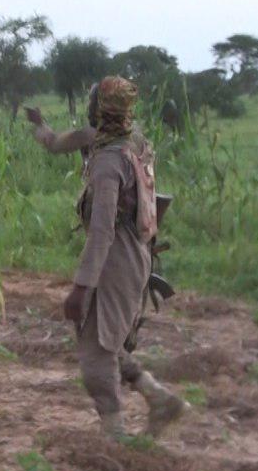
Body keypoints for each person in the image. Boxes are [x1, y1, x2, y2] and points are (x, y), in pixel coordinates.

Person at [62, 76, 187, 440]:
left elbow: (102, 230)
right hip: (135, 253)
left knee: (96, 353)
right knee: (106, 338)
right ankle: (157, 396)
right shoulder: (134, 143)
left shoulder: (107, 162)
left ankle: (115, 439)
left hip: (116, 258)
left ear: (99, 111)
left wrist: (81, 289)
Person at [24, 105, 95, 156]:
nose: (38, 115)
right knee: (81, 135)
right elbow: (48, 142)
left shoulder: (41, 126)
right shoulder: (37, 129)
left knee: (81, 134)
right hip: (56, 143)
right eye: (35, 113)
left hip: (57, 140)